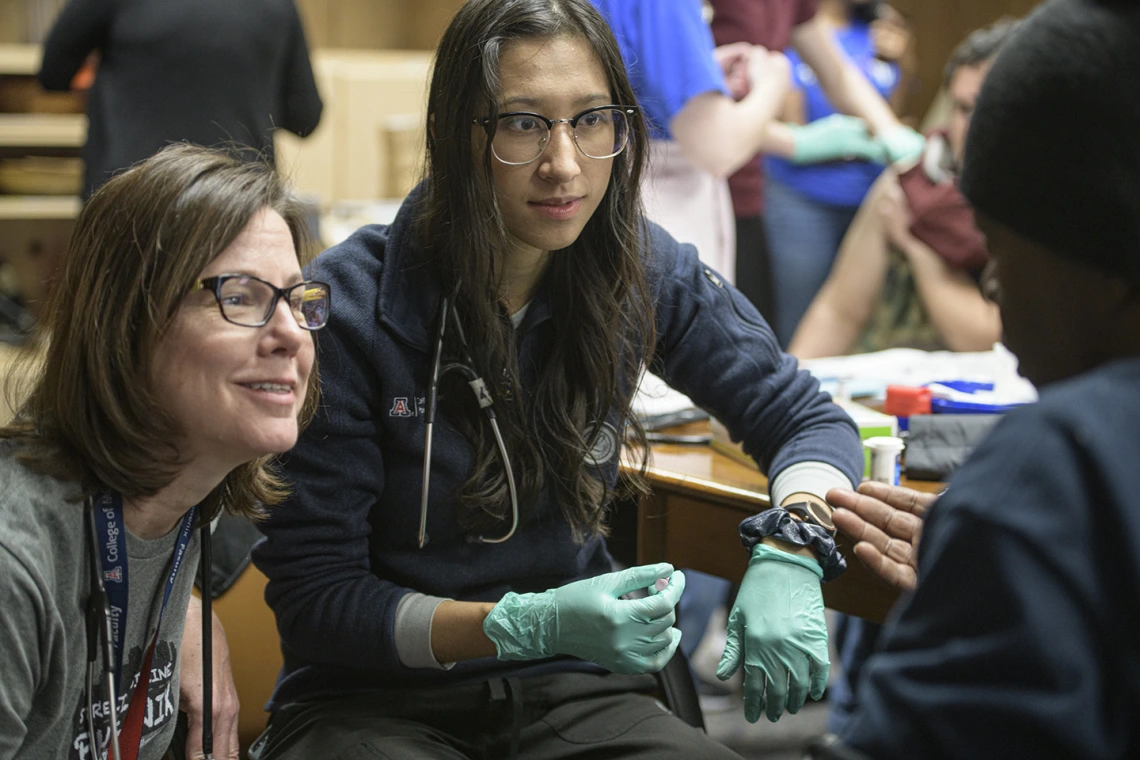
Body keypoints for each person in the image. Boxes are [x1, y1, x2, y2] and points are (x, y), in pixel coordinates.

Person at [248, 1, 865, 758]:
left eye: (592, 120)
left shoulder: (637, 268)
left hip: (576, 689)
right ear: (455, 133)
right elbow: (319, 603)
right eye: (523, 123)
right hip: (375, 699)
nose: (564, 164)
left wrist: (794, 540)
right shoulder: (347, 311)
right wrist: (519, 622)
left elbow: (805, 416)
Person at [811, 1, 1140, 756]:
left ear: (1105, 250)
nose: (995, 287)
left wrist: (1011, 542)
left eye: (1000, 247)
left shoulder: (1058, 467)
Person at [0, 144, 329, 760]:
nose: (290, 334)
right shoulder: (14, 565)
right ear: (128, 323)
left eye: (296, 298)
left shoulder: (178, 509)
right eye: (241, 296)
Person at [788, 19, 1018, 360]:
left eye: (986, 108)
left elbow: (988, 338)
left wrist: (918, 247)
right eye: (962, 108)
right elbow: (838, 311)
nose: (969, 127)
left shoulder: (1041, 203)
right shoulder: (913, 182)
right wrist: (782, 398)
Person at [708, 0, 924, 331]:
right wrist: (796, 143)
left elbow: (837, 73)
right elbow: (690, 109)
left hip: (755, 190)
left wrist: (890, 130)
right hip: (712, 185)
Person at [590, 0, 795, 281]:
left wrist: (702, 73)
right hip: (653, 204)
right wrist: (773, 81)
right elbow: (717, 147)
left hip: (604, 196)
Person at [38, 0, 323, 199]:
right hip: (238, 205)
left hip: (129, 204)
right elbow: (305, 118)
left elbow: (53, 73)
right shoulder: (278, 5)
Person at [763, 0, 910, 347]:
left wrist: (898, 63)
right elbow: (789, 117)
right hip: (802, 200)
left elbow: (890, 108)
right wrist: (809, 141)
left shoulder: (882, 29)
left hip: (867, 197)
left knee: (865, 320)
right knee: (804, 317)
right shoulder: (794, 26)